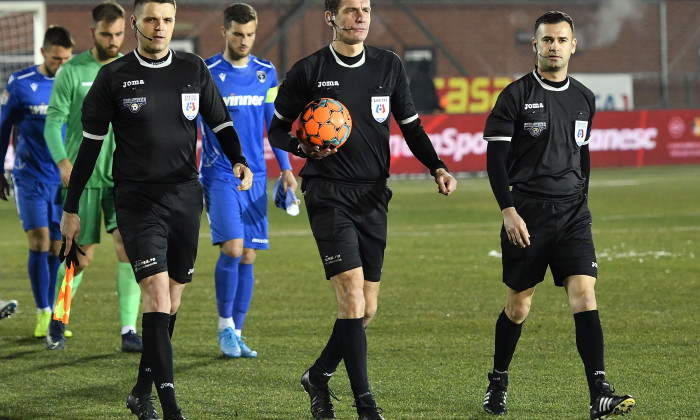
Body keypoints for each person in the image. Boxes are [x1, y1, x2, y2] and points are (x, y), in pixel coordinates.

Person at [59, 0, 252, 418]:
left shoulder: (193, 69)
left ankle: (141, 392)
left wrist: (238, 157)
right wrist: (71, 208)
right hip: (136, 199)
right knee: (157, 294)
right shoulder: (113, 77)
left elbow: (220, 122)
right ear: (135, 23)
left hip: (185, 197)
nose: (160, 27)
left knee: (172, 303)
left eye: (166, 19)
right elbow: (88, 149)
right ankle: (171, 409)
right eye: (151, 19)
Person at [268, 1, 456, 419]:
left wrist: (437, 167)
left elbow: (411, 127)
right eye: (351, 9)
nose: (361, 16)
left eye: (366, 8)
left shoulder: (388, 66)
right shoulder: (309, 70)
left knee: (367, 309)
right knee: (351, 298)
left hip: (373, 195)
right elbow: (276, 128)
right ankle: (365, 403)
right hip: (328, 193)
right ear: (330, 17)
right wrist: (303, 147)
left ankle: (317, 375)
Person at [481, 11, 635, 420]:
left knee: (585, 294)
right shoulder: (513, 96)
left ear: (572, 45)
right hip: (527, 216)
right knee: (519, 307)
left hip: (572, 215)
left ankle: (598, 391)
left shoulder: (584, 97)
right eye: (546, 40)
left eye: (561, 40)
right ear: (535, 45)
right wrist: (508, 211)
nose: (554, 46)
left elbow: (582, 153)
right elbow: (494, 161)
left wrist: (581, 198)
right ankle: (498, 378)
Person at [43, 1, 144, 353]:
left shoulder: (131, 70)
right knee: (79, 256)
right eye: (106, 34)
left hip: (123, 179)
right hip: (82, 179)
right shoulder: (72, 71)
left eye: (119, 34)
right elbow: (53, 122)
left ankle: (129, 330)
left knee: (129, 251)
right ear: (93, 32)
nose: (113, 40)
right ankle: (58, 318)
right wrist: (63, 162)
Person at [200, 2, 297, 359]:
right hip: (219, 171)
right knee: (233, 248)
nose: (244, 40)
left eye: (250, 34)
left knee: (249, 257)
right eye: (238, 34)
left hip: (256, 175)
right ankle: (224, 327)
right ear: (224, 31)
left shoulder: (265, 73)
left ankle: (238, 332)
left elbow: (274, 124)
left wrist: (286, 168)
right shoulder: (206, 72)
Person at [0, 26, 73, 338]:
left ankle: (58, 314)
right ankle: (43, 312)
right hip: (29, 177)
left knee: (59, 247)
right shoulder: (21, 84)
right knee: (40, 242)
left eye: (67, 59)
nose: (61, 64)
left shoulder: (73, 84)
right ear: (44, 53)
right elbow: (3, 128)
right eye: (57, 58)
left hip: (62, 179)